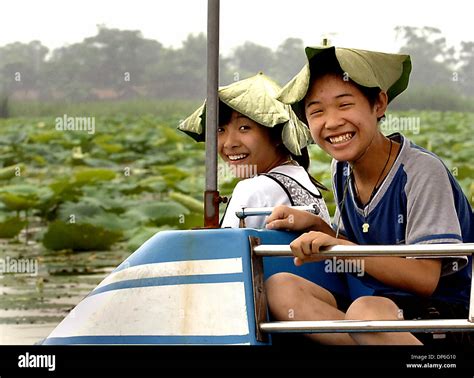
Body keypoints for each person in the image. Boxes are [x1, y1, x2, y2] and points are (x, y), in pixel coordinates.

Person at [264, 46, 473, 345]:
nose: (332, 122)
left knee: (364, 312)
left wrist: (337, 245)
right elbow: (352, 248)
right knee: (280, 287)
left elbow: (425, 279)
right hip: (380, 310)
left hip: (447, 318)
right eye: (317, 111)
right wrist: (317, 227)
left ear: (378, 103)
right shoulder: (342, 170)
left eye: (344, 105)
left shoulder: (421, 172)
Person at [179, 72, 330, 228]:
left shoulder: (253, 189)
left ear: (278, 136)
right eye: (220, 130)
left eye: (244, 128)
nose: (230, 143)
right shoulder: (301, 178)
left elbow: (225, 252)